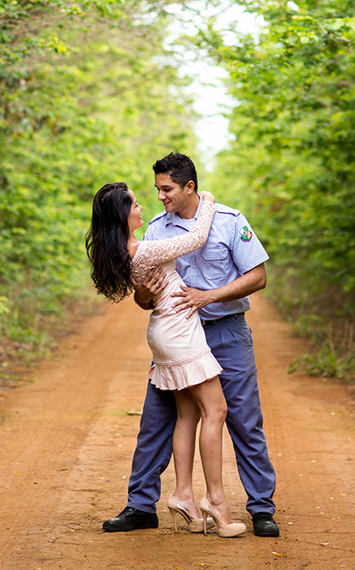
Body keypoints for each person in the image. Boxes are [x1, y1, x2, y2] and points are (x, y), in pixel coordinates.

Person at [101, 152, 279, 538]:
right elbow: (145, 297)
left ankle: (262, 507)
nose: (161, 197)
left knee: (245, 420)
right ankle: (140, 505)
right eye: (156, 190)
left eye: (166, 189)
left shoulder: (230, 222)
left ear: (189, 187)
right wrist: (144, 296)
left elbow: (259, 276)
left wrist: (209, 296)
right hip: (180, 335)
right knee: (156, 419)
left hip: (225, 331)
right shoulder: (154, 232)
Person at [86, 182, 246, 537]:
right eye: (135, 204)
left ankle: (183, 496)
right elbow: (195, 240)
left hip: (166, 328)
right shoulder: (141, 251)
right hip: (178, 332)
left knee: (187, 414)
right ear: (123, 216)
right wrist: (207, 200)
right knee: (216, 411)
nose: (143, 206)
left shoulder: (126, 250)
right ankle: (216, 503)